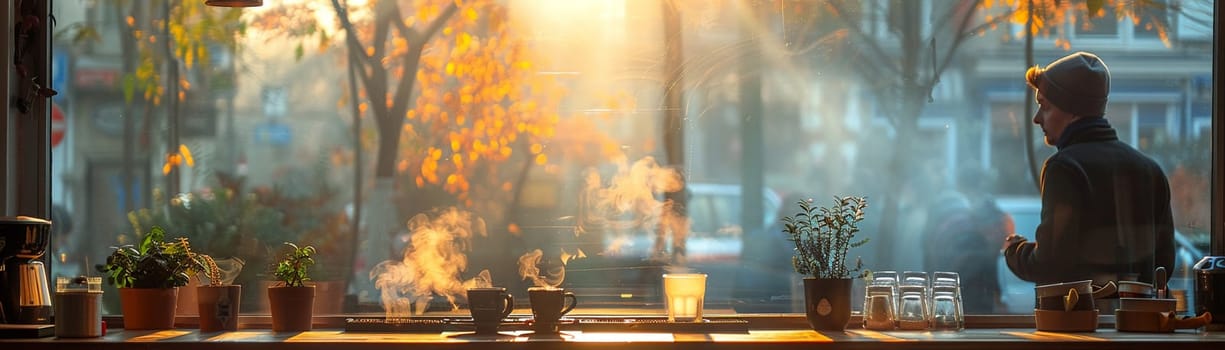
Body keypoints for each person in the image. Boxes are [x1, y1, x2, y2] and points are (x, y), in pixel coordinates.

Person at [1003, 52, 1175, 287]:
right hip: (1137, 320)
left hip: (1080, 320)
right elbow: (1164, 266)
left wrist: (1015, 251)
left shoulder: (1064, 169)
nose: (1036, 118)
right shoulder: (1151, 170)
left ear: (1072, 109)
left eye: (1044, 106)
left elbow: (1050, 264)